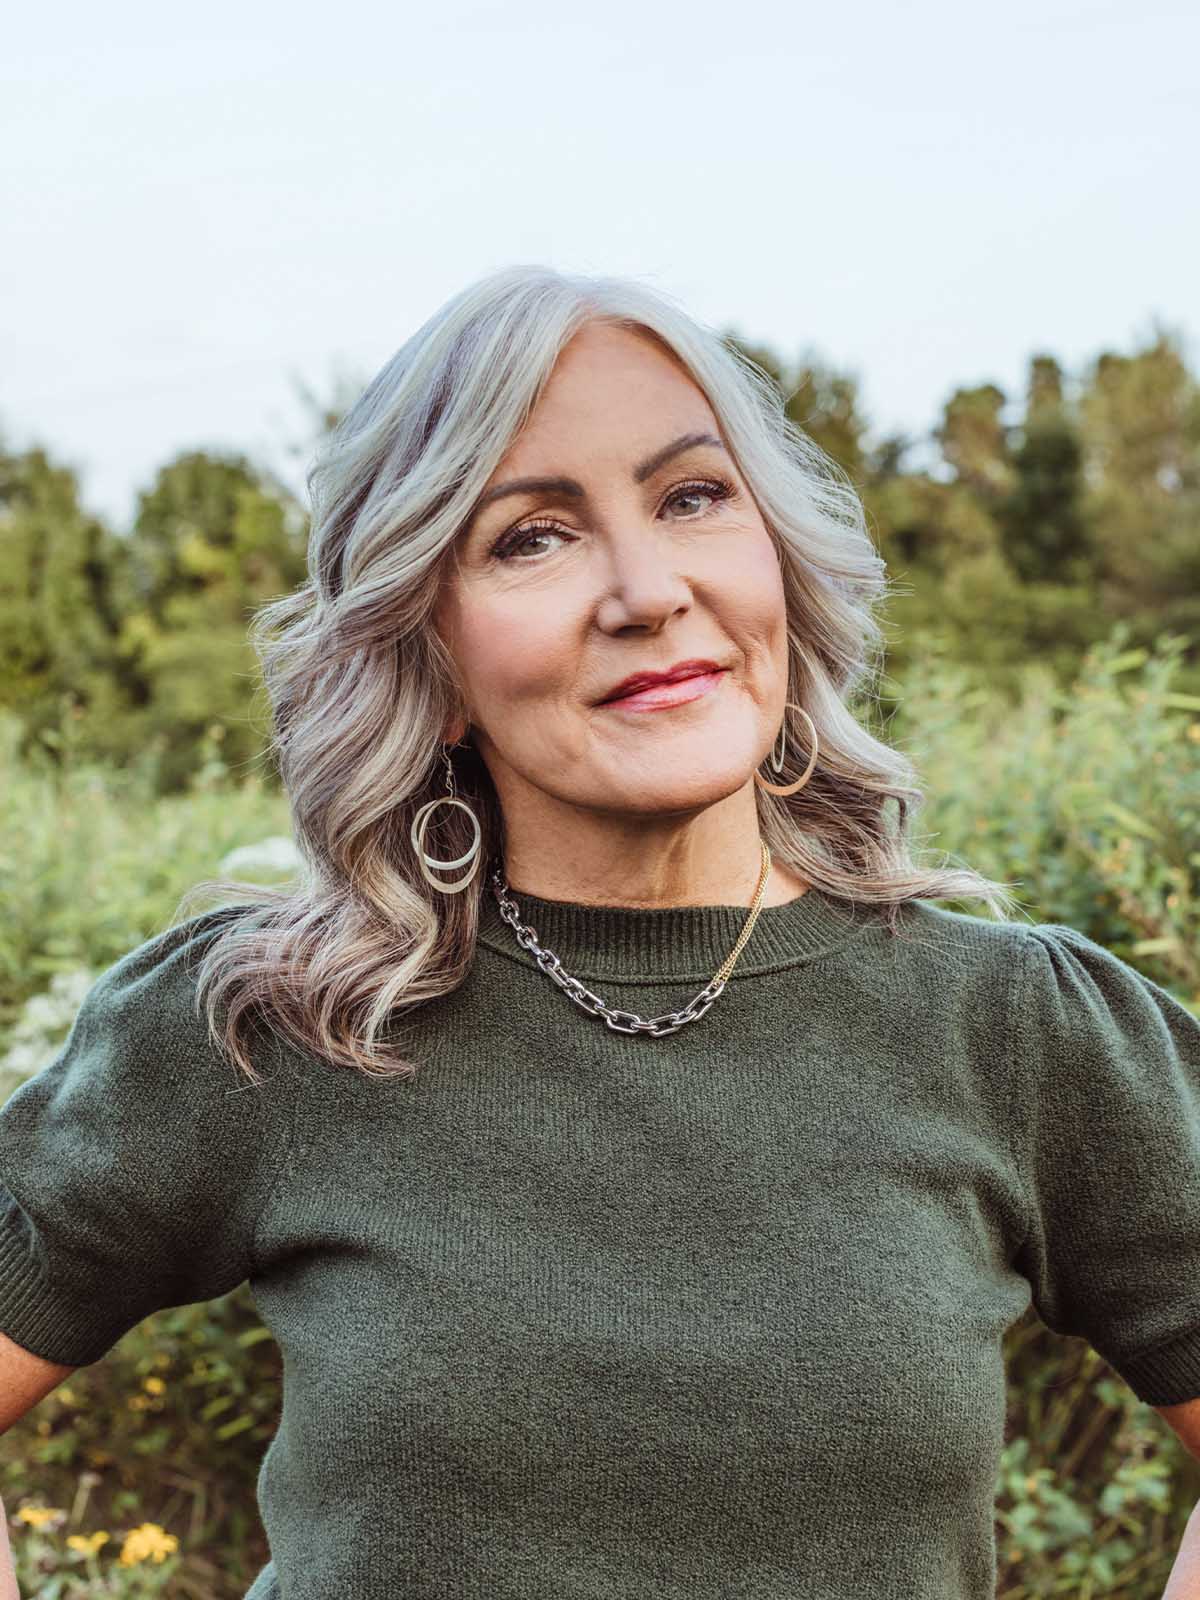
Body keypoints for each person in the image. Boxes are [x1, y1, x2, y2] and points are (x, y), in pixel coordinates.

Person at [2, 265, 1199, 1600]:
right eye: (531, 537)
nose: (647, 589)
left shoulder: (1020, 1030)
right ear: (431, 655)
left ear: (781, 568)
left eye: (693, 496)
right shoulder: (270, 1023)